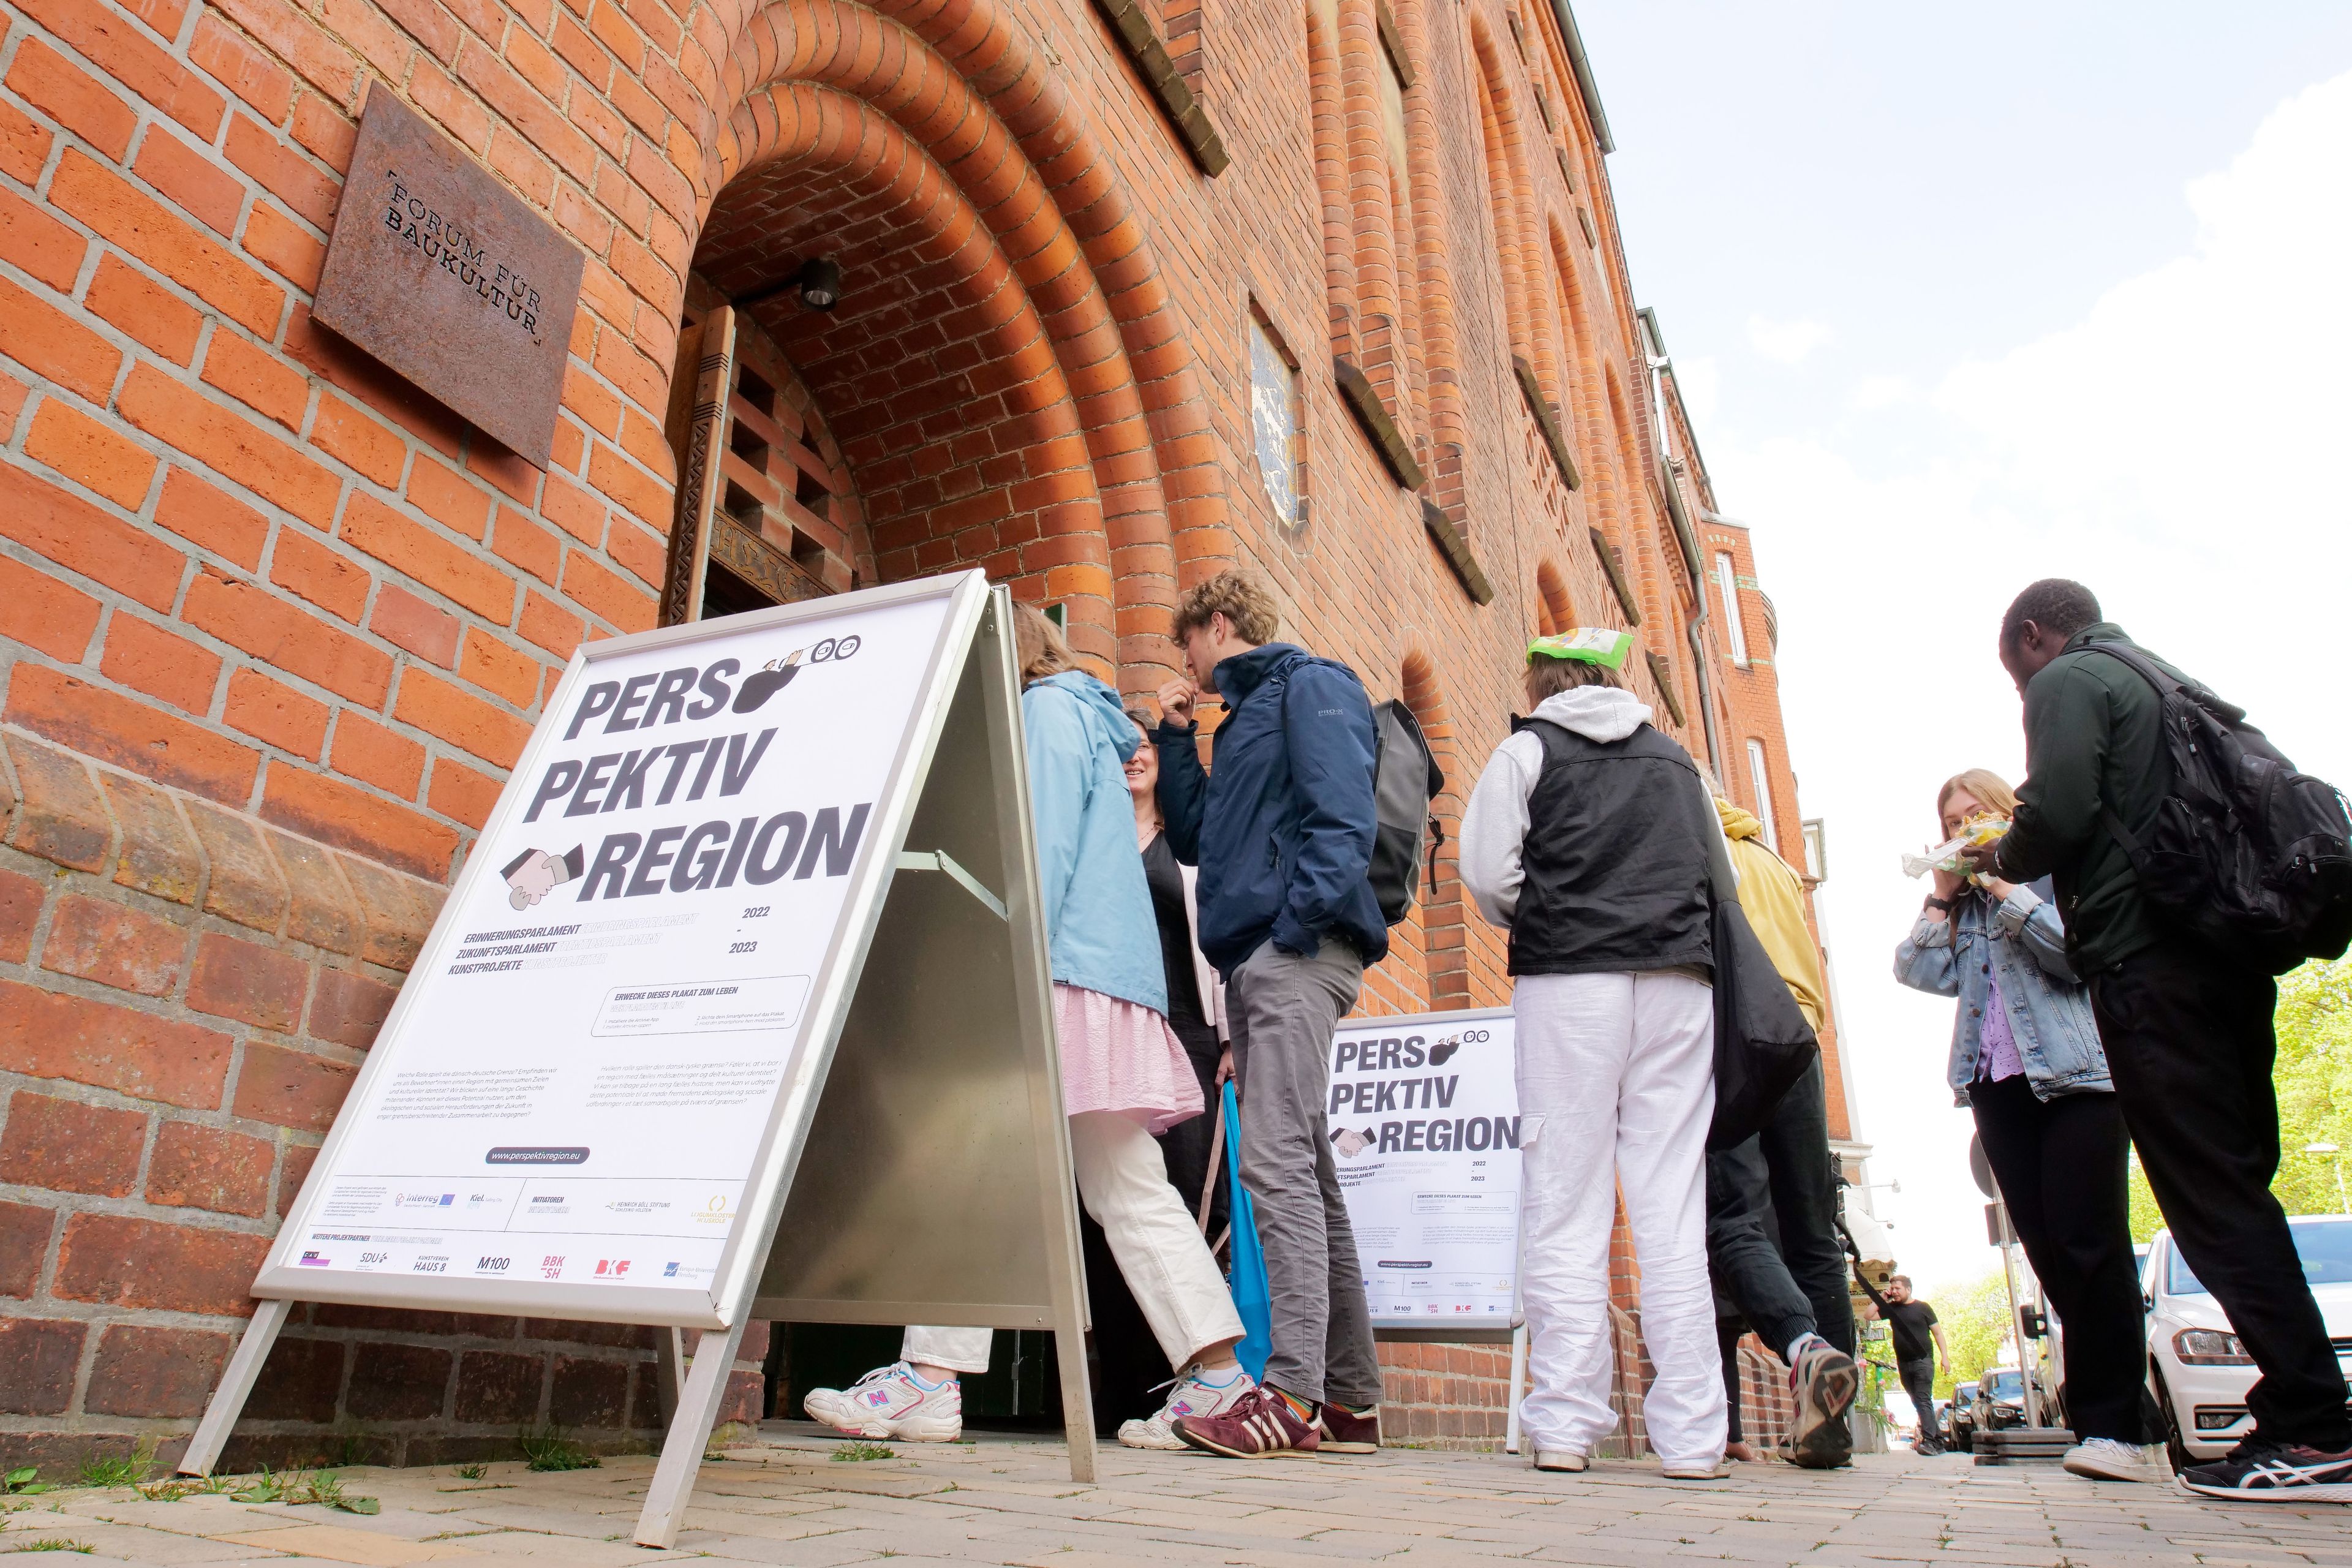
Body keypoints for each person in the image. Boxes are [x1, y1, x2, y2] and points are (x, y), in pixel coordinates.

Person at [803, 604, 1253, 1450]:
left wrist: (998, 972)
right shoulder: (1084, 718)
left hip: (1058, 973)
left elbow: (1035, 853)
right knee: (1125, 1186)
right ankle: (1219, 1380)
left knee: (964, 1156)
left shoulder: (1045, 713)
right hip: (1100, 980)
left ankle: (930, 1379)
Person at [1964, 579, 2352, 1501]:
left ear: (2031, 638)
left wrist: (1999, 855)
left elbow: (2057, 813)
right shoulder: (2169, 681)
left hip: (2151, 968)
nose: (2022, 694)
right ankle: (2305, 1410)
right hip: (2221, 958)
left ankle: (2315, 1429)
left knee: (2207, 1197)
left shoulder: (2069, 680)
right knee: (2235, 1186)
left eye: (2015, 673)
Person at [1458, 629, 1727, 1480]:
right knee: (1671, 1206)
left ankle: (1567, 1426)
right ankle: (1691, 1439)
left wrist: (1537, 916)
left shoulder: (1525, 751)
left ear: (1540, 680)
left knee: (1565, 1200)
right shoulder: (1679, 762)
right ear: (1613, 679)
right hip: (1679, 980)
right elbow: (1714, 877)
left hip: (1569, 978)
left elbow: (1485, 871)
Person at [1152, 569, 1387, 1458]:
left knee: (1276, 1164)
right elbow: (1197, 840)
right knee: (1306, 1171)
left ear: (1217, 624)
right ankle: (1350, 1403)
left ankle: (1289, 1393)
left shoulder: (1311, 685)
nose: (1187, 661)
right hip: (1257, 958)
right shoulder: (1241, 718)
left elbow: (1344, 820)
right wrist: (1179, 739)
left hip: (1295, 954)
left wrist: (1293, 932)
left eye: (1189, 643)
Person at [1896, 766, 2158, 1482]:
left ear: (2008, 813)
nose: (1963, 827)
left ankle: (2115, 1429)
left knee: (2089, 1242)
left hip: (2076, 1079)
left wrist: (2008, 888)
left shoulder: (2049, 876)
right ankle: (2120, 1412)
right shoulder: (1965, 908)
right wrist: (1943, 895)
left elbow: (2076, 957)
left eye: (1975, 812)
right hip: (1996, 1088)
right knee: (2048, 1251)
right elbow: (1917, 972)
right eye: (1952, 821)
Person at [1082, 707, 1233, 1430]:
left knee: (1183, 1203)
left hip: (1189, 1033)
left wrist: (1232, 1034)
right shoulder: (1095, 841)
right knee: (1110, 1206)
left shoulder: (1188, 848)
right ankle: (1125, 1386)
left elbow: (1223, 939)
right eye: (1125, 747)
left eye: (1145, 746)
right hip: (1111, 1030)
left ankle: (1193, 1377)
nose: (1135, 755)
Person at [1703, 783, 1860, 1470]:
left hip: (1736, 1031)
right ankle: (1833, 1417)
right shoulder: (1771, 858)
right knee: (1813, 1233)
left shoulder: (1703, 850)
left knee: (1727, 1217)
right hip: (1801, 1039)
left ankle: (1785, 1368)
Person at [1857, 1275, 1948, 1451]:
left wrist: (1945, 1357)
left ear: (1908, 1289)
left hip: (1923, 1360)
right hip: (1904, 1363)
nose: (1895, 1292)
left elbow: (1938, 1333)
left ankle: (1930, 1442)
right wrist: (1882, 1298)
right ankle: (1938, 1441)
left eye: (1898, 1288)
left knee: (1922, 1399)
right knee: (1917, 1401)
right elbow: (1868, 1316)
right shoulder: (1892, 1309)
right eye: (1893, 1289)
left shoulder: (1923, 1308)